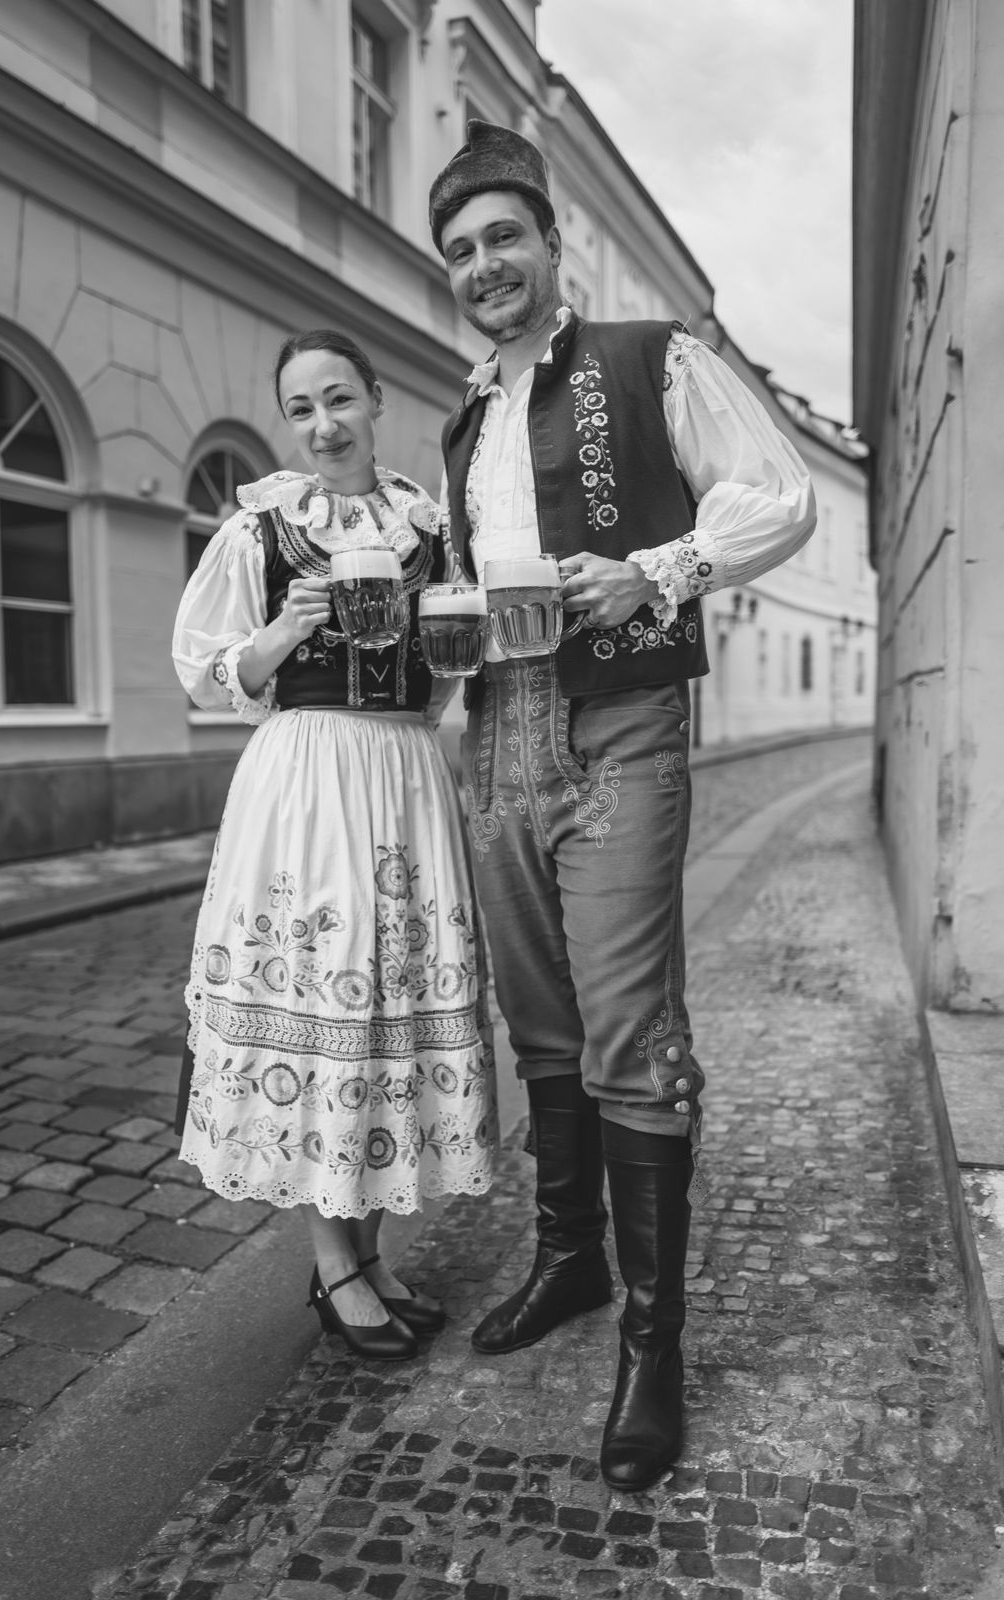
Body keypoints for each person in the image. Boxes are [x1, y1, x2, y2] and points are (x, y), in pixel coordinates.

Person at [428, 121, 816, 1486]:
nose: (485, 264)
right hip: (500, 726)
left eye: (504, 237)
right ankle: (569, 1261)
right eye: (461, 249)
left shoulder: (651, 358)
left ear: (550, 245)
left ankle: (654, 1349)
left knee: (631, 1027)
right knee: (538, 1017)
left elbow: (782, 497)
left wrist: (657, 569)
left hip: (624, 716)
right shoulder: (462, 419)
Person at [172, 329, 497, 1362]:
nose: (323, 425)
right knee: (327, 1001)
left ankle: (368, 1252)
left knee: (388, 1006)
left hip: (403, 775)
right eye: (302, 408)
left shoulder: (430, 529)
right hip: (307, 781)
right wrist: (283, 629)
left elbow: (446, 674)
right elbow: (205, 674)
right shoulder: (262, 530)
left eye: (339, 399)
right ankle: (333, 1264)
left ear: (375, 399)